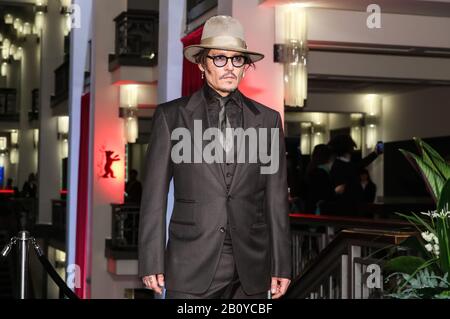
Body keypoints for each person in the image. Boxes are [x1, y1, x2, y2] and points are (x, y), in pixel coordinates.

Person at [138, 16, 291, 299]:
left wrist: (281, 264)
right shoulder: (172, 117)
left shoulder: (268, 120)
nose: (229, 67)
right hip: (190, 263)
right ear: (201, 63)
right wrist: (151, 260)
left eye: (237, 60)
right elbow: (153, 196)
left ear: (245, 67)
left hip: (252, 268)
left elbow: (276, 198)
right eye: (219, 58)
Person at [327, 135, 382, 215]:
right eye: (351, 147)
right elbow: (360, 165)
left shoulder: (342, 164)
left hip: (349, 208)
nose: (353, 149)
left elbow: (360, 164)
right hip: (347, 209)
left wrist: (375, 153)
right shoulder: (341, 166)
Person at [305, 144, 345, 214]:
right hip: (321, 210)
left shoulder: (311, 169)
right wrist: (336, 191)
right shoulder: (322, 172)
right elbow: (325, 194)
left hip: (311, 209)